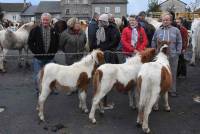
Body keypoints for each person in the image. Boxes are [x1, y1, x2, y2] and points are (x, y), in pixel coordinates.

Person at [151, 12, 182, 97]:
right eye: (164, 20)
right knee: (160, 73)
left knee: (172, 73)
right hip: (160, 57)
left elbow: (179, 42)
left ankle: (172, 90)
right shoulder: (158, 30)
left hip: (172, 56)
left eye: (167, 20)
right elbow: (153, 41)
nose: (165, 21)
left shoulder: (176, 30)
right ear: (162, 20)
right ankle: (161, 89)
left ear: (171, 21)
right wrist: (155, 50)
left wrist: (177, 52)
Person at [28, 13, 59, 96]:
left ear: (50, 21)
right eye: (44, 19)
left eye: (47, 20)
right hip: (38, 58)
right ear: (41, 20)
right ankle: (39, 90)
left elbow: (57, 43)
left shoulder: (54, 31)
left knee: (51, 75)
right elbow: (30, 42)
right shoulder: (35, 30)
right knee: (38, 76)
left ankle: (51, 89)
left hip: (50, 58)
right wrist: (36, 52)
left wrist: (53, 52)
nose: (45, 21)